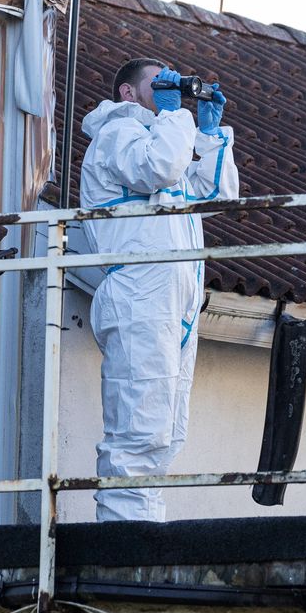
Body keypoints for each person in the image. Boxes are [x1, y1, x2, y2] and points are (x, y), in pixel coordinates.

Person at [78, 58, 240, 522]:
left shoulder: (162, 137)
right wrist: (176, 117)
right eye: (159, 81)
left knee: (168, 432)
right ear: (129, 93)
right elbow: (160, 168)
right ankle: (122, 546)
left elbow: (216, 195)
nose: (171, 86)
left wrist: (210, 133)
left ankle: (146, 533)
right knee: (139, 428)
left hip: (176, 299)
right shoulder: (117, 135)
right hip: (140, 294)